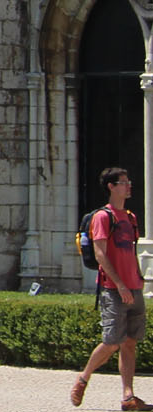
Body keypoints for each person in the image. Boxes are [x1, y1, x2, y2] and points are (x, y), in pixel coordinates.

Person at [76, 164, 150, 409]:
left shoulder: (130, 217)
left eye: (128, 182)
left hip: (134, 288)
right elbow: (100, 255)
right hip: (114, 289)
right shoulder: (102, 217)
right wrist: (120, 285)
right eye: (124, 182)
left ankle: (128, 397)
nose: (129, 186)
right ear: (111, 187)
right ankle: (83, 378)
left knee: (130, 343)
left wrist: (135, 282)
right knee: (111, 342)